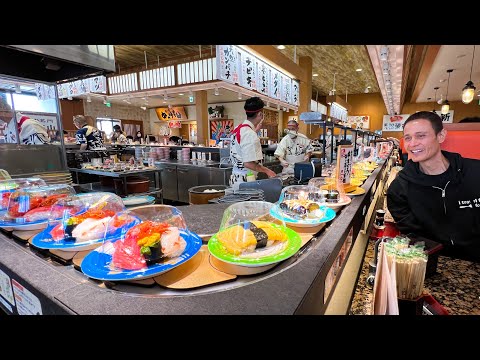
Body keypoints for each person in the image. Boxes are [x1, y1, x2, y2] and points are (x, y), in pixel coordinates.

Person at [386, 111, 480, 262]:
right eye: (408, 138)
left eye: (421, 136)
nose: (412, 143)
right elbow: (416, 239)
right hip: (435, 262)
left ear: (441, 136)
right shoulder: (399, 189)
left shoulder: (475, 172)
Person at [229, 97, 276, 190]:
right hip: (245, 181)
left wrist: (255, 130)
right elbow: (248, 164)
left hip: (236, 178)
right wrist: (267, 171)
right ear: (260, 114)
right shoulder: (250, 134)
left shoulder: (239, 127)